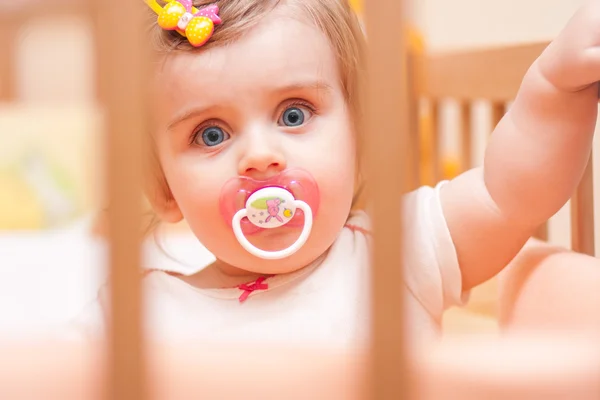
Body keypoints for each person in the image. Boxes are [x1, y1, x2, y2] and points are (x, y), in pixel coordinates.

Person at [76, 0, 600, 346]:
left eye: (294, 114)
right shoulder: (132, 313)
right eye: (211, 134)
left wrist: (552, 89)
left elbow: (508, 195)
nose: (260, 156)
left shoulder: (397, 248)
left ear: (361, 140)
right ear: (165, 188)